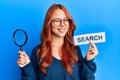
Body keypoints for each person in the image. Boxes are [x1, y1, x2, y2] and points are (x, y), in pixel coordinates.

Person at [17, 4, 98, 80]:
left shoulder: (76, 50)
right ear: (49, 23)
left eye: (65, 20)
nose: (62, 24)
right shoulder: (38, 52)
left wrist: (88, 60)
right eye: (57, 20)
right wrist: (26, 67)